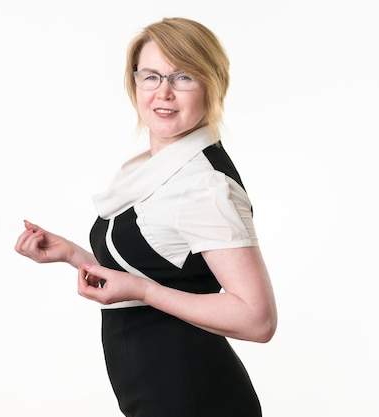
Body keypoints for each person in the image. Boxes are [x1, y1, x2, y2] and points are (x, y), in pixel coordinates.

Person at [15, 16, 277, 417]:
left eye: (183, 77)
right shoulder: (153, 170)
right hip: (156, 395)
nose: (164, 93)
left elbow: (258, 320)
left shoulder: (205, 185)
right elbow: (156, 269)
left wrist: (144, 292)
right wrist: (73, 255)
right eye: (151, 77)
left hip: (196, 399)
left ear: (213, 83)